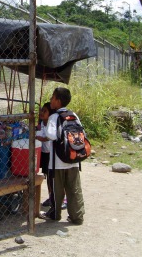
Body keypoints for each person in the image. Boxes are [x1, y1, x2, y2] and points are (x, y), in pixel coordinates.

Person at [41, 87, 85, 224]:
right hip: (73, 159)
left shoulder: (54, 117)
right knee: (74, 188)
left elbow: (51, 135)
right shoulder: (74, 115)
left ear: (58, 101)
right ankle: (77, 216)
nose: (50, 100)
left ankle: (55, 214)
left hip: (57, 162)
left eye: (53, 97)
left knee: (57, 190)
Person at [36, 102, 67, 210]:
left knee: (55, 178)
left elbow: (49, 137)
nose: (41, 113)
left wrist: (41, 138)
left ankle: (62, 198)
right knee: (48, 177)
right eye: (41, 110)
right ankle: (51, 196)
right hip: (44, 153)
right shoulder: (41, 124)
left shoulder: (51, 123)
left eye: (45, 111)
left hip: (52, 154)